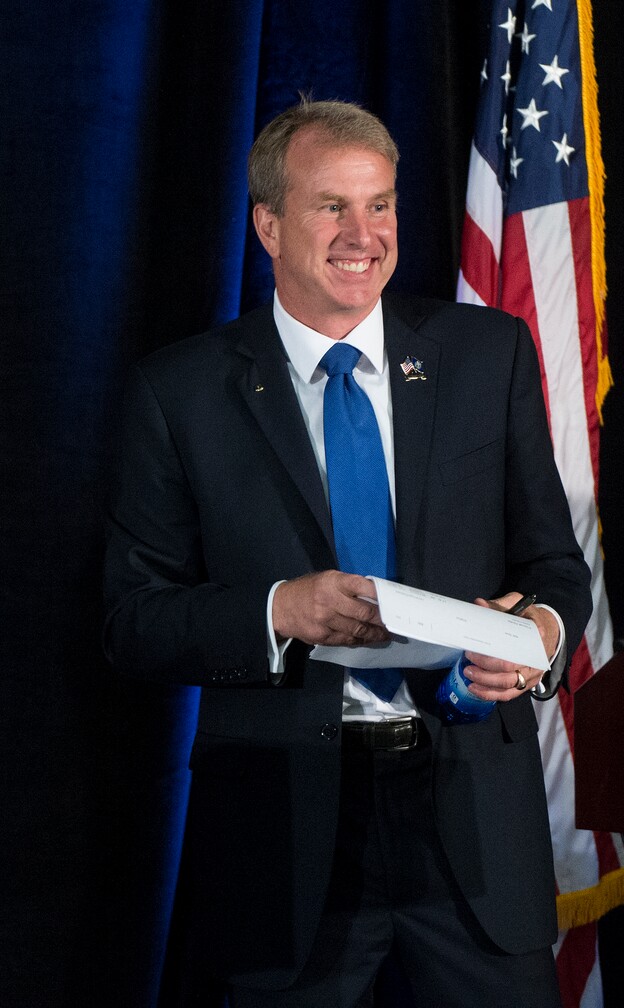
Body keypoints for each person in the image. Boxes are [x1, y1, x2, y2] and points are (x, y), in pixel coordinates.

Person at [103, 97, 592, 1008]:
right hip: (283, 838)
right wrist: (277, 611)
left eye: (381, 205)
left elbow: (555, 568)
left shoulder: (488, 354)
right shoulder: (181, 392)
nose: (363, 236)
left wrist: (539, 634)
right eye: (332, 206)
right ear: (269, 226)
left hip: (474, 818)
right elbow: (133, 621)